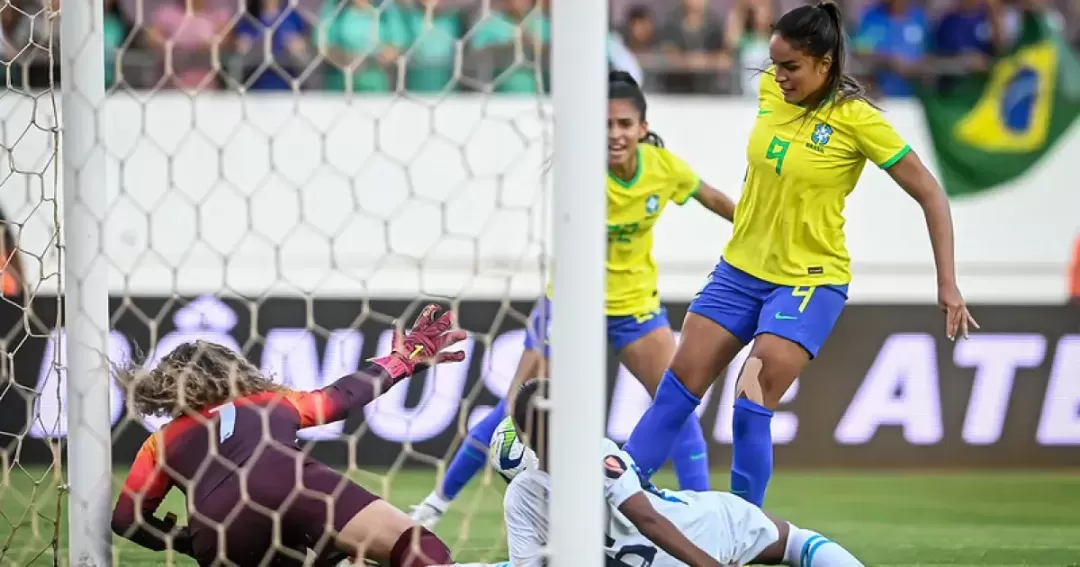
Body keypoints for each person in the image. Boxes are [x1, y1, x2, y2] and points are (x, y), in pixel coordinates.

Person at [621, 0, 979, 509]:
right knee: (676, 393)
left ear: (824, 64)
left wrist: (947, 282)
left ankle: (741, 536)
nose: (778, 75)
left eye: (790, 66)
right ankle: (615, 504)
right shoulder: (771, 91)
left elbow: (931, 195)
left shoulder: (859, 121)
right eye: (774, 64)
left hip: (808, 280)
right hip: (739, 271)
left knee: (750, 402)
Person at [410, 70, 736, 529]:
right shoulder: (580, 174)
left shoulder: (665, 169)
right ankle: (432, 509)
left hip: (635, 307)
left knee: (678, 406)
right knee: (514, 412)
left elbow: (715, 198)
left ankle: (706, 519)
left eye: (624, 124)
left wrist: (755, 230)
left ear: (642, 128)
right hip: (569, 305)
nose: (615, 134)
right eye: (605, 124)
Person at [110, 304, 469, 567]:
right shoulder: (269, 402)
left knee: (328, 553)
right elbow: (341, 399)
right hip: (288, 481)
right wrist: (401, 361)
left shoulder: (160, 442)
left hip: (216, 526)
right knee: (414, 546)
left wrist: (186, 540)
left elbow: (125, 521)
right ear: (235, 371)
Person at [504, 378, 865, 567]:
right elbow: (646, 518)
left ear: (522, 435)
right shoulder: (597, 451)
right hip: (702, 530)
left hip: (688, 538)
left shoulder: (520, 495)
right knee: (794, 543)